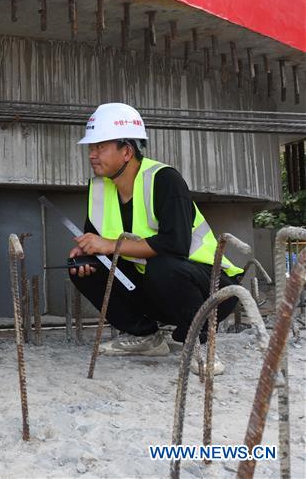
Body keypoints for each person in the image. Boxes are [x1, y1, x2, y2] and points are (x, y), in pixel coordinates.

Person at [69, 103, 242, 373]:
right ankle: (145, 336)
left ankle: (200, 343)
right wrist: (88, 253)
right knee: (83, 268)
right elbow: (98, 242)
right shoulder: (99, 188)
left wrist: (109, 245)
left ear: (126, 151)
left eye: (100, 147)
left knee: (164, 265)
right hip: (157, 288)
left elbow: (176, 245)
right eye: (91, 148)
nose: (91, 155)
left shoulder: (164, 180)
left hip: (209, 288)